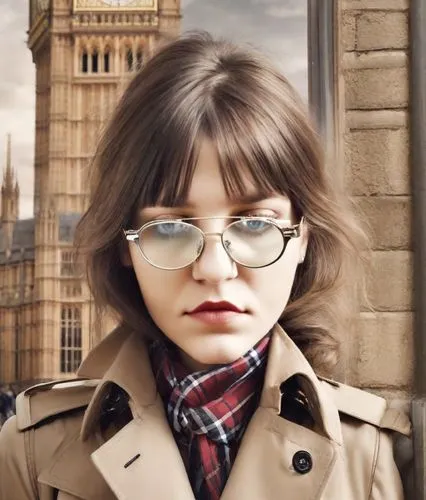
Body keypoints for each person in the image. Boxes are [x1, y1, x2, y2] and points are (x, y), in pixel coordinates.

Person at [0, 32, 411, 500]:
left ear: (303, 238)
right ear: (122, 245)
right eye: (171, 228)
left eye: (255, 223)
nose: (215, 269)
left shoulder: (379, 459)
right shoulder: (30, 456)